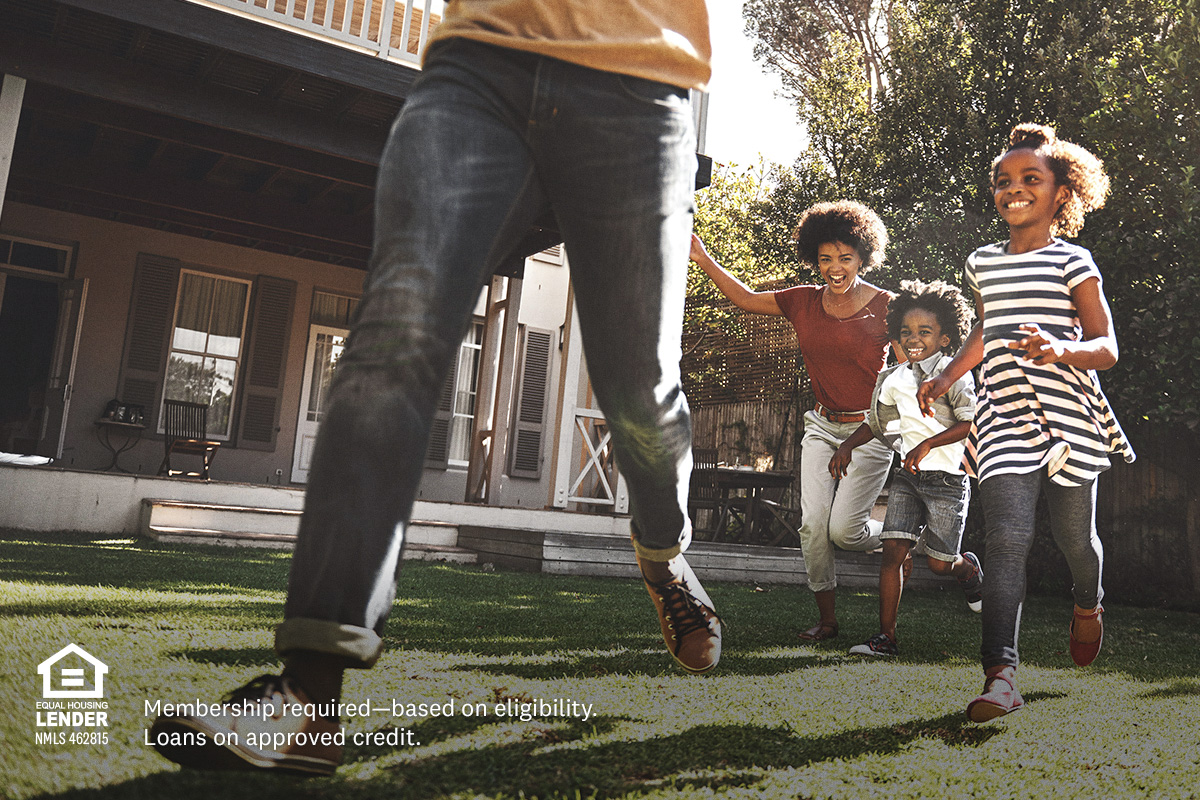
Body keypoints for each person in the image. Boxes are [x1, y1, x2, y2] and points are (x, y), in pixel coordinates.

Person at [149, 1, 721, 776]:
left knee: (637, 387)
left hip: (639, 81)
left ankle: (662, 554)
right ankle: (307, 702)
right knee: (393, 339)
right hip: (478, 66)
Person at [917, 123, 1135, 722]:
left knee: (1073, 539)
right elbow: (987, 329)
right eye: (1003, 182)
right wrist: (948, 377)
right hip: (1007, 411)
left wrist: (1059, 351)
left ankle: (1087, 604)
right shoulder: (983, 261)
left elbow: (1107, 345)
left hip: (1069, 412)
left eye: (1029, 179)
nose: (1013, 190)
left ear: (1061, 193)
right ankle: (1001, 675)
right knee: (1006, 540)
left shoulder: (1074, 260)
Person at [690, 201, 896, 642]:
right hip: (822, 426)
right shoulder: (803, 301)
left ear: (863, 256)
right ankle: (827, 619)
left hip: (871, 431)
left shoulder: (887, 307)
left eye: (845, 258)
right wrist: (703, 257)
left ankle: (898, 535)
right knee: (812, 524)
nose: (834, 268)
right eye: (825, 259)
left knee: (845, 531)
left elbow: (920, 363)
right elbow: (743, 298)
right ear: (813, 259)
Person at [829, 279, 983, 658]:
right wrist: (848, 445)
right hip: (908, 478)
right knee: (893, 550)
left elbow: (971, 423)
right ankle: (886, 638)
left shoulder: (954, 373)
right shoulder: (894, 378)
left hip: (948, 481)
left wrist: (929, 443)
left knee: (939, 564)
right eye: (906, 332)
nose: (914, 339)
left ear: (945, 338)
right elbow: (877, 422)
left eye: (924, 332)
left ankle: (967, 569)